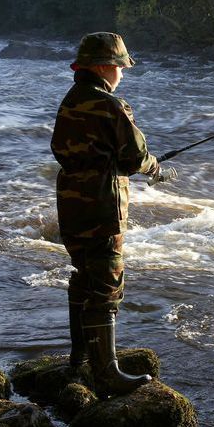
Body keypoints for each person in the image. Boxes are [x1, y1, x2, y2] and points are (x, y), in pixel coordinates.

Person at [51, 31, 160, 398]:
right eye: (120, 66)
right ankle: (107, 373)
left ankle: (79, 357)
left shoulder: (69, 101)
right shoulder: (110, 105)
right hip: (102, 205)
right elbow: (133, 157)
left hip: (70, 202)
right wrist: (156, 167)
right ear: (104, 66)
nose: (122, 74)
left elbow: (62, 149)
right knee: (107, 283)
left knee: (84, 273)